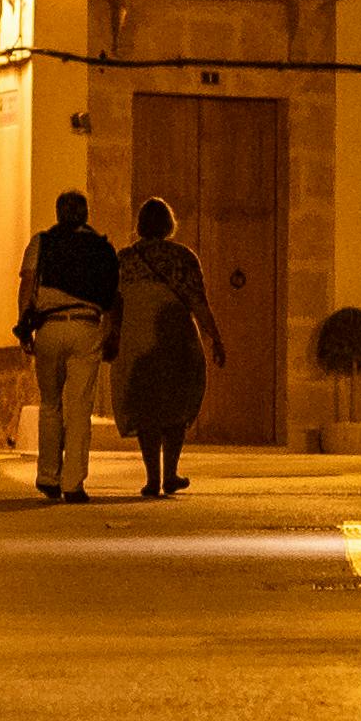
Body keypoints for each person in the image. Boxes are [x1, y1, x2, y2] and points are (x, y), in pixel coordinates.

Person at [110, 193, 224, 498]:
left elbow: (114, 306)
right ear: (169, 225)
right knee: (175, 406)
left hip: (137, 341)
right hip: (175, 338)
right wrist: (215, 337)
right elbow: (198, 303)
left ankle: (152, 477)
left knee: (145, 406)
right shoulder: (183, 258)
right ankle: (171, 472)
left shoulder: (125, 260)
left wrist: (112, 338)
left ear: (140, 225)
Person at [15, 190, 122, 499]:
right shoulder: (102, 248)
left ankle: (48, 475)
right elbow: (113, 295)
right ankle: (73, 483)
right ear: (86, 214)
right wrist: (112, 333)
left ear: (58, 212)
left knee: (50, 403)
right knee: (78, 409)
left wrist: (24, 328)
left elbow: (27, 285)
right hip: (86, 327)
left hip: (49, 326)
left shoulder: (42, 242)